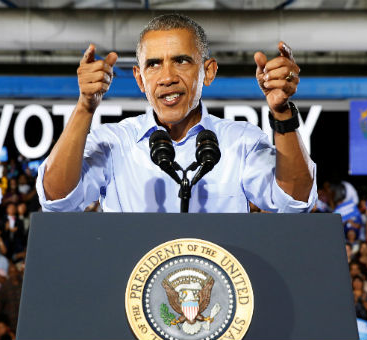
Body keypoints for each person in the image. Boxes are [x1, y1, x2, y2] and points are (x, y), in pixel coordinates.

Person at [37, 13, 316, 213]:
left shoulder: (241, 141)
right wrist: (85, 106)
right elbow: (57, 199)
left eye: (181, 61)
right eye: (154, 65)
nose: (167, 77)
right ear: (139, 79)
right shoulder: (114, 142)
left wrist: (281, 113)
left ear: (208, 72)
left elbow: (294, 201)